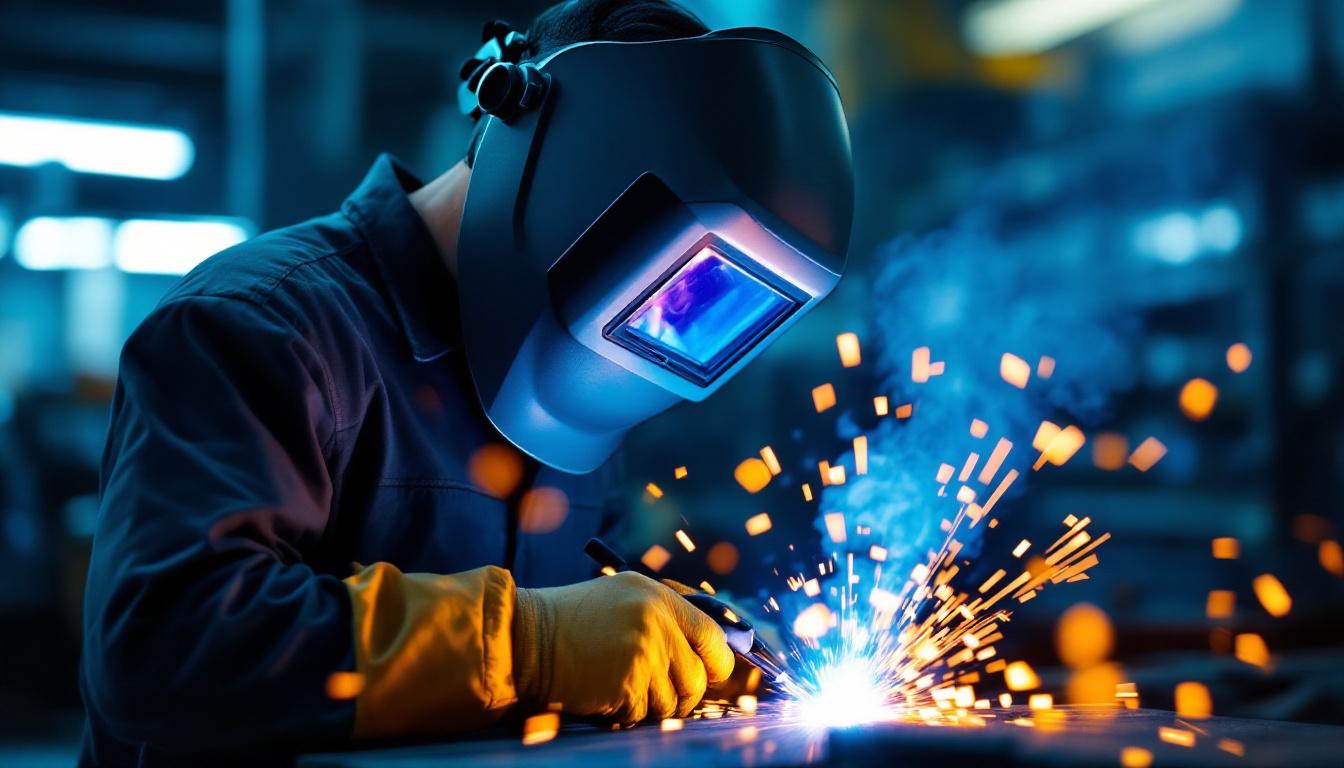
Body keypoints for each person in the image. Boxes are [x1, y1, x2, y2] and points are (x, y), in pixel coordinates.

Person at [78, 1, 853, 765]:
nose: (671, 325)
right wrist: (531, 645)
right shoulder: (263, 324)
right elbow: (165, 643)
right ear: (568, 165)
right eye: (679, 285)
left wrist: (679, 649)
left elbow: (586, 614)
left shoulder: (577, 384)